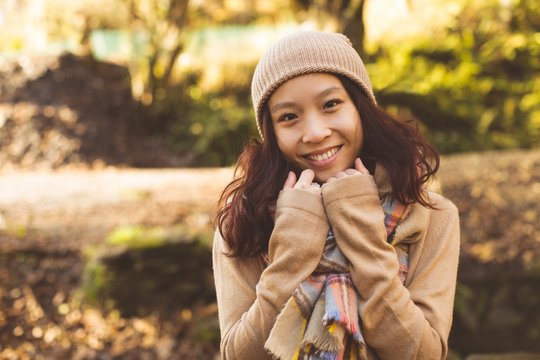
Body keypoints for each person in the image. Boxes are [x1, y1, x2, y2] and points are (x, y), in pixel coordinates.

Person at [212, 31, 460, 360]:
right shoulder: (242, 222)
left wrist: (362, 233)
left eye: (331, 105)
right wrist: (291, 255)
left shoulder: (431, 214)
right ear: (271, 132)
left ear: (360, 108)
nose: (315, 132)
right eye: (289, 117)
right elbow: (238, 355)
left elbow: (424, 354)